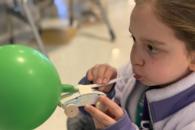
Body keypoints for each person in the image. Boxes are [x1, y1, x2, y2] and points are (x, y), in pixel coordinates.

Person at [68, 0, 195, 129]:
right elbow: (97, 111)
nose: (135, 58)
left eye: (151, 48)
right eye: (134, 38)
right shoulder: (137, 73)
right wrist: (97, 92)